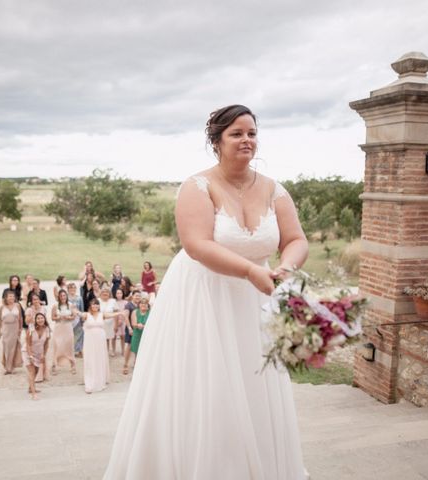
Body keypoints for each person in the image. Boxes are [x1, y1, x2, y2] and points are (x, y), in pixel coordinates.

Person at [103, 105, 309, 479]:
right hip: (203, 299)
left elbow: (295, 239)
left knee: (254, 386)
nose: (247, 140)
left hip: (254, 302)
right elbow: (196, 245)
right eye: (236, 134)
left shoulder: (275, 190)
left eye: (251, 133)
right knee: (208, 390)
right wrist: (249, 270)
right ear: (216, 142)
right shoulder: (197, 186)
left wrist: (286, 267)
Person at [77, 298, 117, 394]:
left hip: (100, 340)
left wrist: (120, 313)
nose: (95, 306)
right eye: (93, 304)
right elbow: (79, 313)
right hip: (89, 341)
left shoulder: (102, 314)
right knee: (90, 360)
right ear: (90, 305)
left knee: (99, 359)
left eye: (97, 304)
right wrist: (73, 309)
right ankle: (89, 383)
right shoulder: (87, 315)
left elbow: (112, 315)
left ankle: (100, 380)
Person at [22, 312, 50, 400]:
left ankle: (31, 388)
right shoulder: (31, 329)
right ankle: (34, 394)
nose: (40, 320)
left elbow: (46, 344)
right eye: (38, 318)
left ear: (44, 319)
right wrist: (30, 356)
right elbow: (28, 344)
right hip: (27, 352)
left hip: (38, 353)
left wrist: (43, 355)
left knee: (37, 371)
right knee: (32, 372)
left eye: (42, 318)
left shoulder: (47, 329)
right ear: (35, 320)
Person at [51, 289, 76, 375]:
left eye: (64, 295)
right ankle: (54, 365)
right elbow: (52, 317)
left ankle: (73, 365)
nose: (63, 297)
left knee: (69, 346)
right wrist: (58, 318)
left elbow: (74, 316)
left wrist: (69, 318)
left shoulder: (71, 305)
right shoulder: (55, 306)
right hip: (59, 327)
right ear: (59, 297)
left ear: (66, 296)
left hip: (68, 327)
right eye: (61, 296)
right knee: (57, 346)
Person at [0, 291, 22, 374]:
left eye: (13, 296)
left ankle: (11, 367)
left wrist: (20, 329)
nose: (11, 298)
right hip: (6, 329)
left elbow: (20, 319)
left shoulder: (18, 305)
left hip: (15, 328)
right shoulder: (2, 307)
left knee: (14, 348)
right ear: (6, 298)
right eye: (9, 296)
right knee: (6, 348)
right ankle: (7, 365)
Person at [121, 290, 141, 375]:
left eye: (139, 296)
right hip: (131, 328)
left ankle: (136, 363)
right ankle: (125, 364)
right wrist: (129, 328)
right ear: (132, 296)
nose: (138, 297)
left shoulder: (140, 305)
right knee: (129, 346)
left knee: (138, 346)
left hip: (139, 329)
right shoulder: (128, 305)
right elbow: (125, 317)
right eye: (136, 295)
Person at [99, 284, 119, 356]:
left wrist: (116, 324)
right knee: (105, 337)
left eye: (107, 292)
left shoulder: (113, 301)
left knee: (113, 337)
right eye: (103, 292)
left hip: (111, 322)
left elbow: (117, 313)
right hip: (101, 322)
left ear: (109, 293)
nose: (105, 293)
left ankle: (113, 350)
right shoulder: (98, 301)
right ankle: (106, 351)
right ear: (101, 293)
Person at [67, 282, 85, 357]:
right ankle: (70, 351)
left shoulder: (79, 298)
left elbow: (82, 309)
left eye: (74, 288)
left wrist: (82, 319)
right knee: (69, 335)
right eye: (71, 288)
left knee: (80, 334)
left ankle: (78, 350)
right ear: (68, 289)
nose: (72, 289)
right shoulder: (66, 298)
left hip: (77, 318)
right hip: (69, 319)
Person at [113, 288, 127, 356]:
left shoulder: (125, 302)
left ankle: (123, 350)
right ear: (115, 294)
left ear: (122, 294)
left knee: (123, 336)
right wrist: (117, 320)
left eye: (120, 293)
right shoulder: (113, 302)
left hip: (123, 321)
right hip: (115, 320)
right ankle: (113, 350)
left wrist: (122, 320)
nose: (119, 295)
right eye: (117, 293)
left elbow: (126, 312)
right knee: (114, 336)